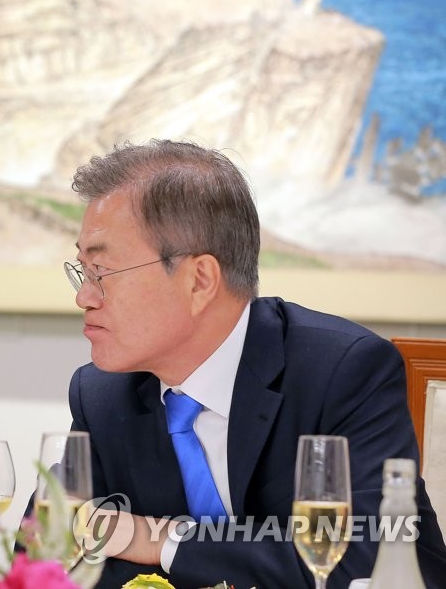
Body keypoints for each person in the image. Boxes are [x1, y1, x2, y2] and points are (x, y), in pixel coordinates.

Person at [60, 140, 446, 587]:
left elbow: (373, 559)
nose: (83, 297)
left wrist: (162, 541)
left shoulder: (342, 372)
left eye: (101, 272)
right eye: (82, 271)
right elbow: (50, 552)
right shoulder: (103, 394)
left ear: (199, 280)